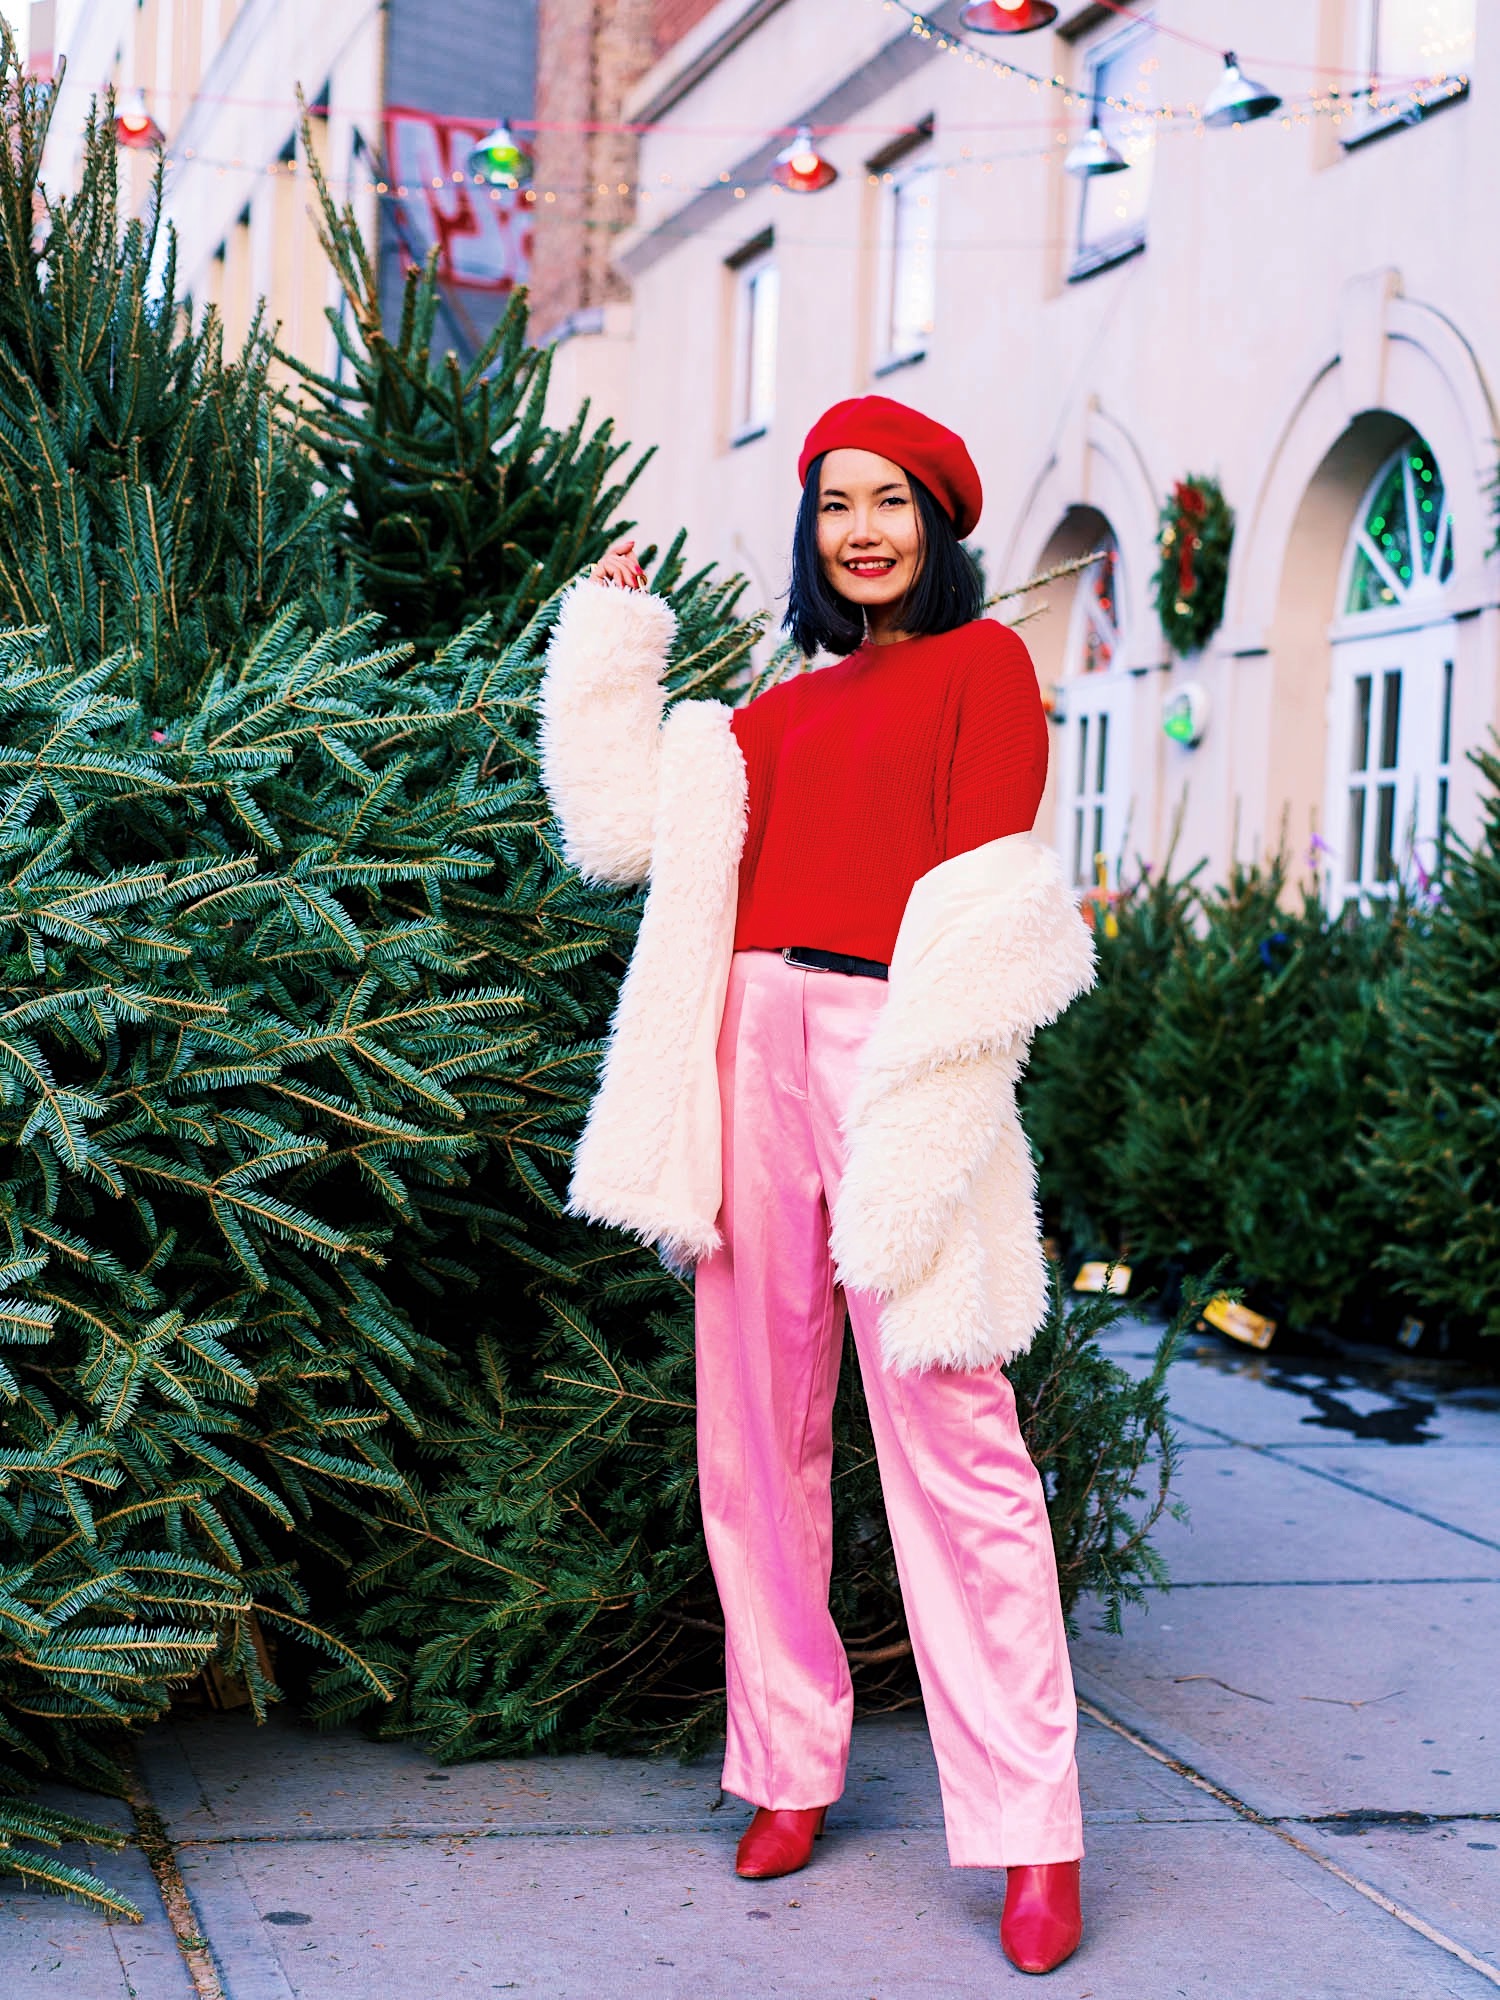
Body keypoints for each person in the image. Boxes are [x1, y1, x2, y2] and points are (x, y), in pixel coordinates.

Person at [538, 395, 1096, 1977]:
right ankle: (784, 1763)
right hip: (747, 1048)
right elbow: (623, 829)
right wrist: (612, 636)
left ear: (937, 523)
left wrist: (922, 1127)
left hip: (896, 1051)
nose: (862, 528)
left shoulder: (984, 669)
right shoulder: (778, 710)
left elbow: (991, 903)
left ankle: (1031, 1827)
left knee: (955, 1438)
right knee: (751, 1431)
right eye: (837, 502)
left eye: (892, 502)